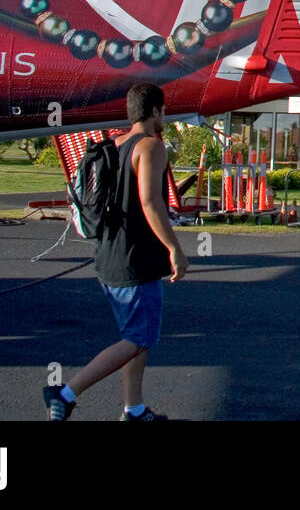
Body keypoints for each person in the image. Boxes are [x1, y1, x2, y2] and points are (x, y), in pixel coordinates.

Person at [43, 83, 189, 421]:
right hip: (136, 261)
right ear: (156, 111)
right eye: (163, 110)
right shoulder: (151, 147)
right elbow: (151, 203)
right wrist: (175, 250)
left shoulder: (115, 144)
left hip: (109, 256)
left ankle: (133, 409)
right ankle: (65, 394)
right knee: (139, 337)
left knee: (136, 338)